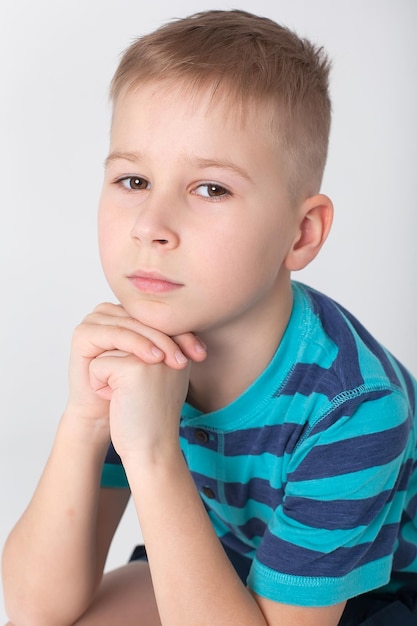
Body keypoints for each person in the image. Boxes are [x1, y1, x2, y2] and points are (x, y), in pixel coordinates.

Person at [2, 9, 416, 626]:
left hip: (362, 599)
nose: (150, 226)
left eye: (211, 189)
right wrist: (88, 417)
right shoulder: (144, 349)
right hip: (223, 555)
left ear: (301, 233)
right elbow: (36, 609)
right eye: (134, 179)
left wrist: (151, 451)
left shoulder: (352, 406)